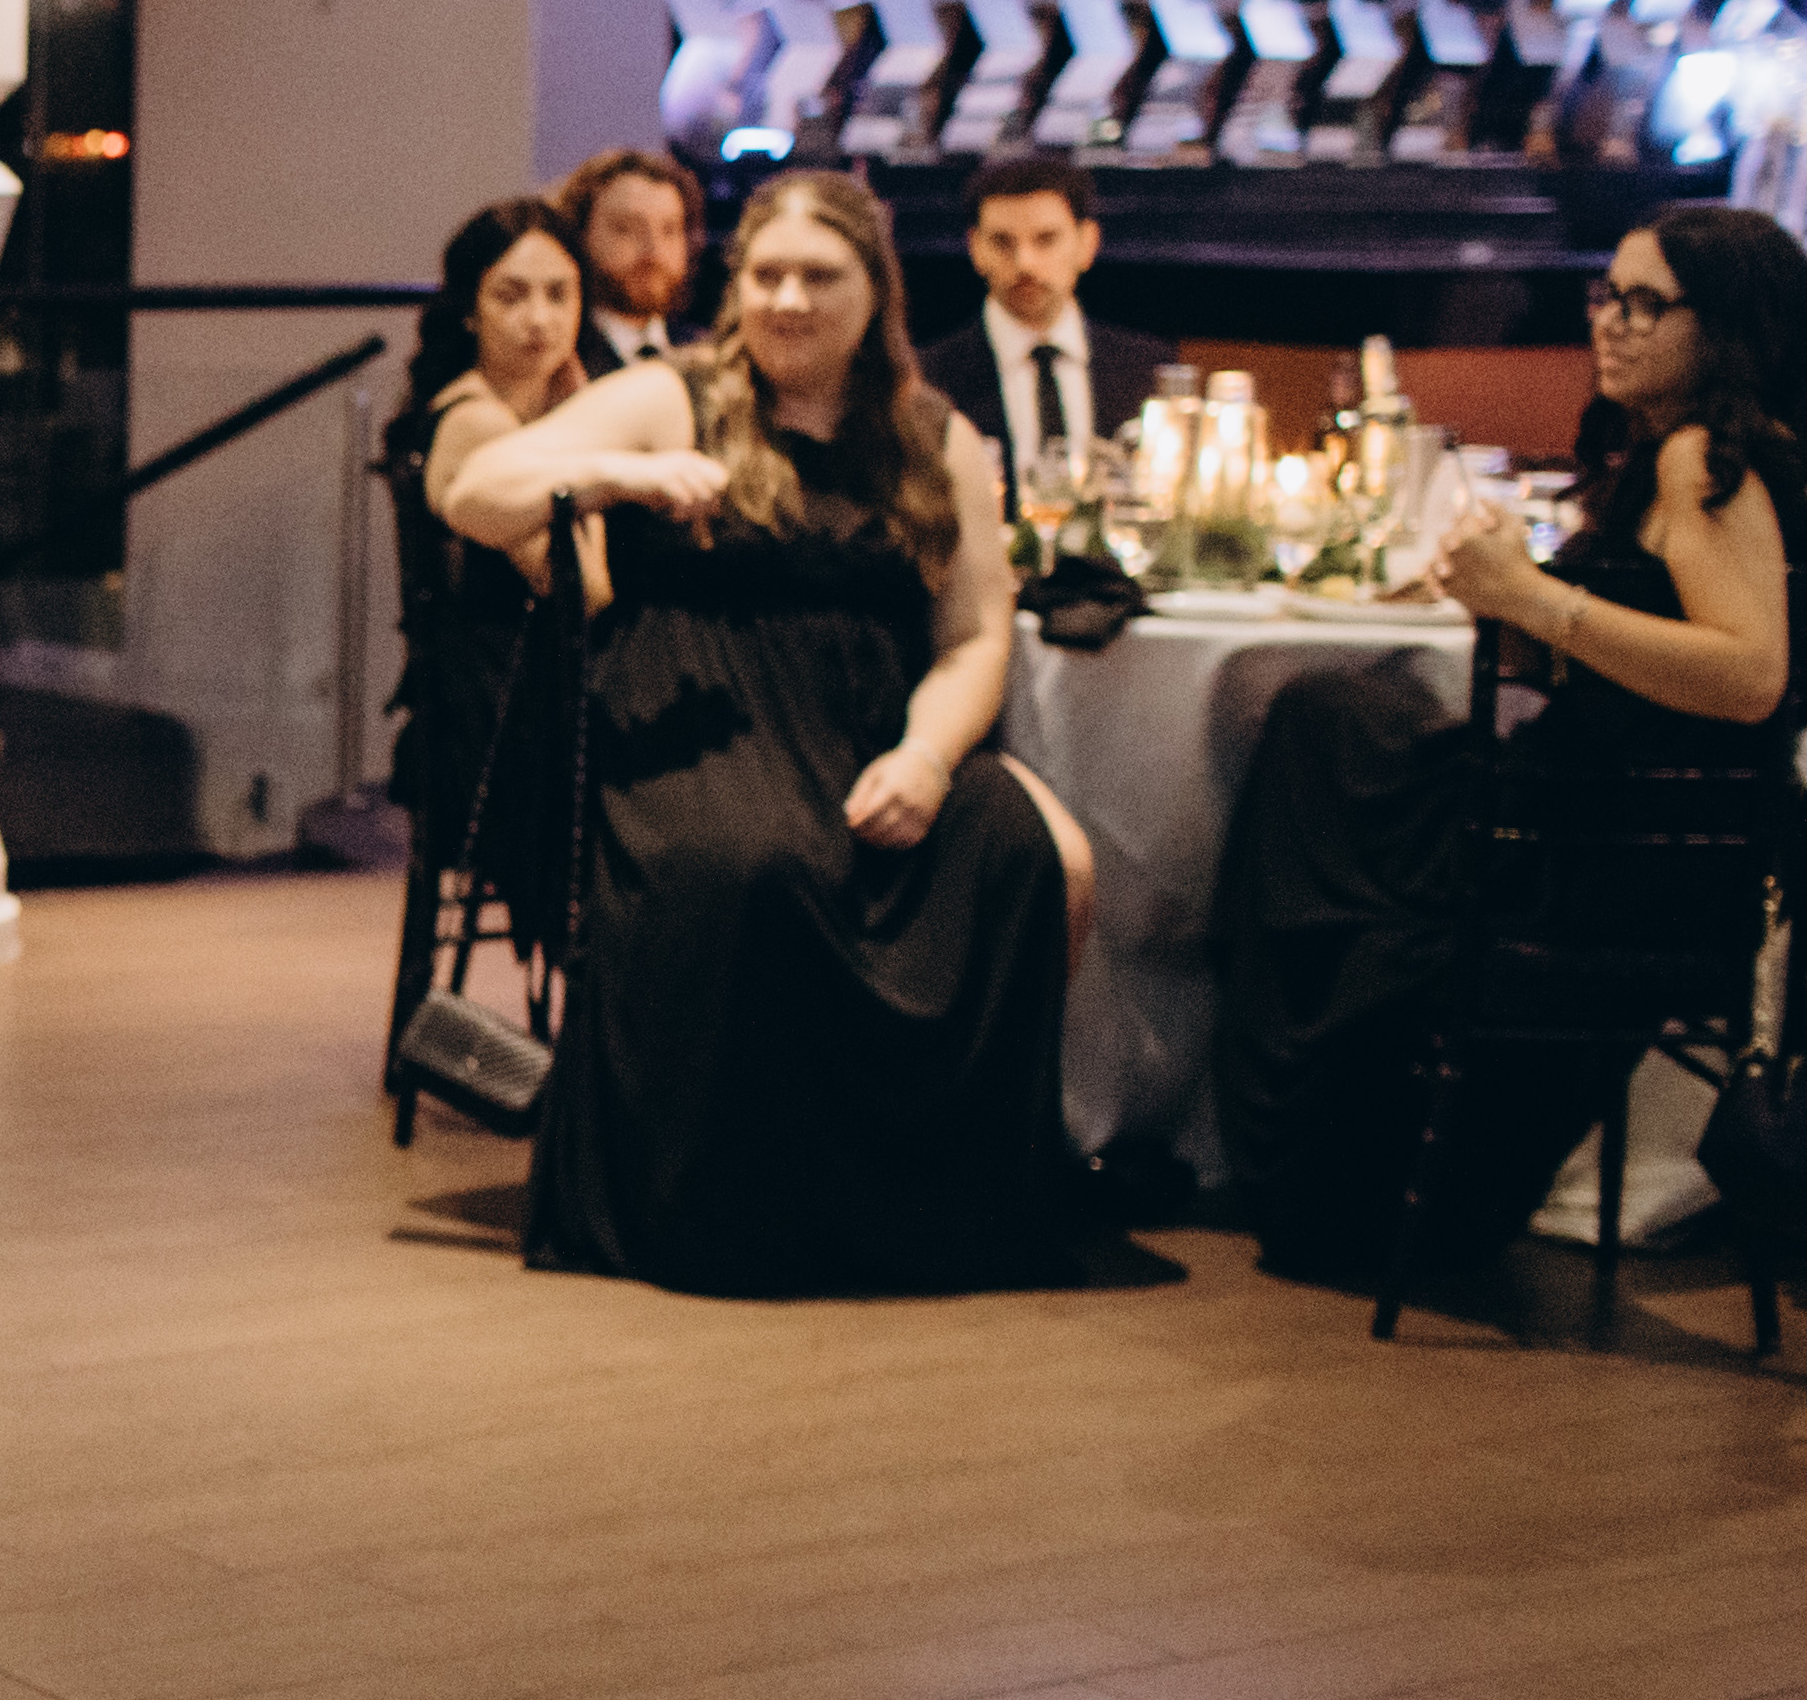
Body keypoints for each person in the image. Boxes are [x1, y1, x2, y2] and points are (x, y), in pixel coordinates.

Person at [446, 168, 1098, 1294]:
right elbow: (474, 491)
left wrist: (926, 757)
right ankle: (749, 1208)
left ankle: (938, 1199)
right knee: (755, 865)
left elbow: (974, 636)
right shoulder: (673, 394)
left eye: (819, 276)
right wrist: (616, 472)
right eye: (766, 275)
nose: (788, 299)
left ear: (875, 290)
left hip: (879, 730)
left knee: (1031, 854)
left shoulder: (933, 435)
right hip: (697, 717)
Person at [1216, 205, 1805, 1282]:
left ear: (1726, 325)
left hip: (1613, 854)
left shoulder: (1699, 460)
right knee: (1333, 717)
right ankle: (1321, 1103)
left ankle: (1275, 1123)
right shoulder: (1695, 451)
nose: (1612, 323)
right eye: (1607, 296)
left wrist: (1532, 600)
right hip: (1622, 825)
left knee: (1317, 733)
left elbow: (1747, 675)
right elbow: (1648, 665)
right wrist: (1517, 615)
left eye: (1648, 304)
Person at [386, 194, 594, 940]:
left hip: (530, 704)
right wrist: (593, 427)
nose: (539, 318)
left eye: (559, 294)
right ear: (471, 310)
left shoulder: (536, 412)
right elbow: (588, 589)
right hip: (499, 731)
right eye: (511, 295)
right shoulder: (478, 420)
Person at [911, 154, 1177, 509]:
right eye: (1003, 242)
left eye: (1046, 239)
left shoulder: (1146, 367)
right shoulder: (927, 377)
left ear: (1087, 243)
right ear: (976, 248)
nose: (1025, 263)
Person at [556, 143, 705, 370]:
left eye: (669, 230)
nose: (654, 251)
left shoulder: (709, 356)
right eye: (626, 229)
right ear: (579, 234)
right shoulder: (558, 359)